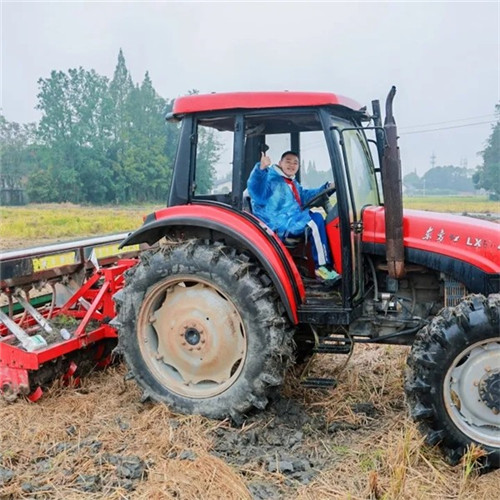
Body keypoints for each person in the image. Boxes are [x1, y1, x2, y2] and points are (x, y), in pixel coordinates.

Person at [247, 150, 340, 284]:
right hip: (279, 224)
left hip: (292, 219)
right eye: (288, 161)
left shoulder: (291, 182)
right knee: (315, 220)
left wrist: (327, 187)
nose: (292, 165)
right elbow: (255, 189)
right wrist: (261, 169)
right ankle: (322, 268)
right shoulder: (271, 179)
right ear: (280, 163)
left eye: (295, 163)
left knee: (318, 219)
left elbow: (305, 196)